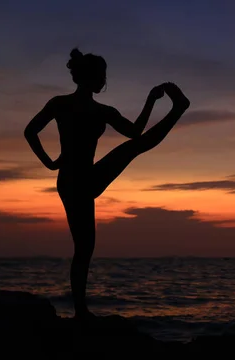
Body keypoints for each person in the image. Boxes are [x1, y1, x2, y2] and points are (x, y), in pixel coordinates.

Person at [24, 48, 190, 319]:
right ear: (91, 77)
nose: (104, 80)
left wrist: (51, 163)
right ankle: (81, 311)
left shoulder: (76, 106)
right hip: (77, 181)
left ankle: (81, 310)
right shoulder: (82, 107)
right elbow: (30, 131)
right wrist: (50, 163)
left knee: (84, 247)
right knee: (84, 247)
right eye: (102, 75)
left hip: (76, 178)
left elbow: (30, 132)